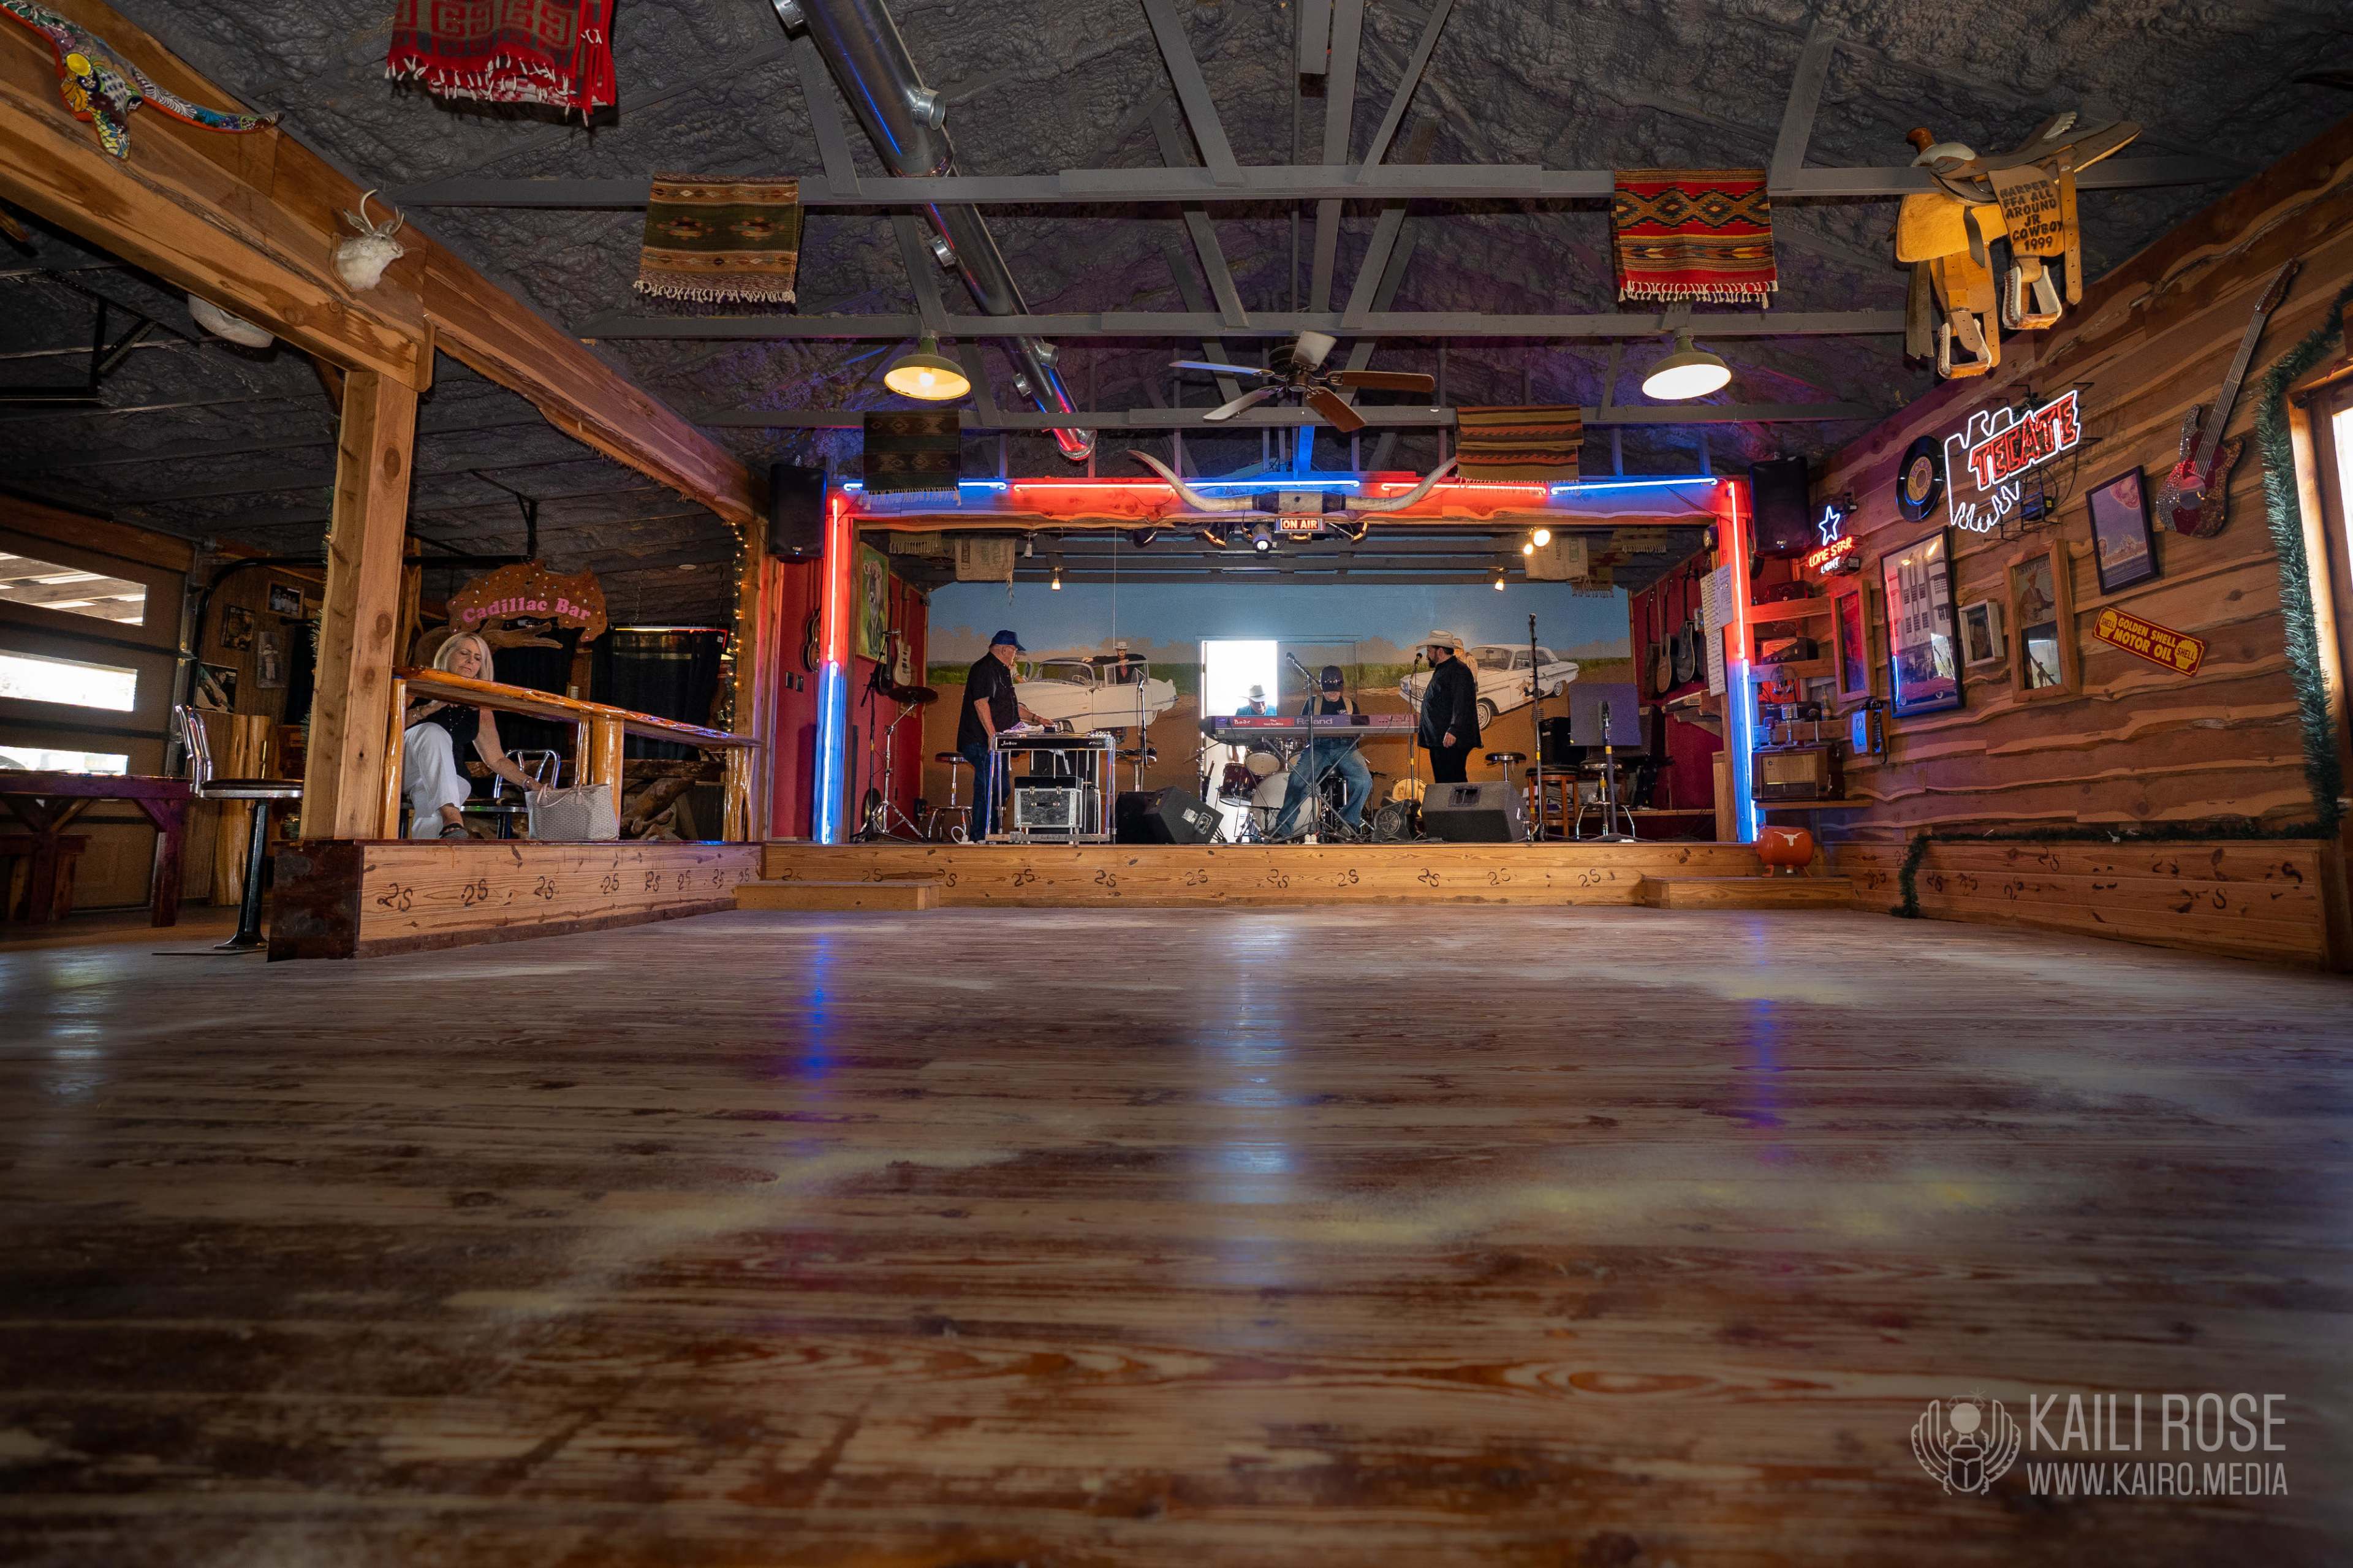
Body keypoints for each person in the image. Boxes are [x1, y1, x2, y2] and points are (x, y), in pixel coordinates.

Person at [400, 632, 539, 839]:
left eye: (477, 658)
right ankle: (453, 815)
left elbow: (496, 759)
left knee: (434, 813)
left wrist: (530, 783)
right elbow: (388, 727)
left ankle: (430, 858)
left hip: (452, 776)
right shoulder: (418, 685)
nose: (470, 661)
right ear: (446, 654)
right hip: (408, 769)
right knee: (432, 731)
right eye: (464, 653)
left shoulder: (479, 707)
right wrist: (430, 708)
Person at [957, 629, 1045, 841]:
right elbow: (981, 703)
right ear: (1005, 649)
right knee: (990, 788)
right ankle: (982, 836)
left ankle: (991, 834)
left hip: (998, 743)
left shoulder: (1002, 670)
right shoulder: (984, 668)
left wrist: (1037, 719)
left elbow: (1011, 707)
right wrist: (992, 736)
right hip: (981, 741)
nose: (1015, 655)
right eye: (1014, 651)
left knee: (999, 789)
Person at [1273, 664, 1373, 839]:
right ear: (1321, 687)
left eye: (1336, 690)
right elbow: (1302, 729)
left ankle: (1349, 824)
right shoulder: (1313, 704)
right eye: (1329, 690)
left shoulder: (1351, 705)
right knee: (1298, 779)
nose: (1333, 693)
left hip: (1345, 748)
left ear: (1341, 687)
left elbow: (1360, 731)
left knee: (1364, 781)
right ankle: (1283, 828)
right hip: (1319, 747)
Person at [1417, 628, 1481, 784]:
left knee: (1453, 783)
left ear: (1440, 651)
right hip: (1440, 741)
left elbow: (1463, 702)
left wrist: (1454, 730)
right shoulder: (1445, 670)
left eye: (1429, 651)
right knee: (1445, 783)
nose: (1427, 655)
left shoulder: (1459, 670)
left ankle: (1460, 809)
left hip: (1450, 741)